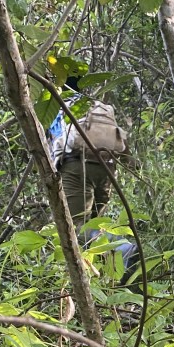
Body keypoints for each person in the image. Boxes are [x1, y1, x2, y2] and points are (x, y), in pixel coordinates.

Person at [47, 81, 138, 276]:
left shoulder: (57, 107)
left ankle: (122, 249)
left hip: (76, 167)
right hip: (107, 168)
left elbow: (55, 142)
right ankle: (109, 274)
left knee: (74, 225)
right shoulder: (93, 105)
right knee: (96, 224)